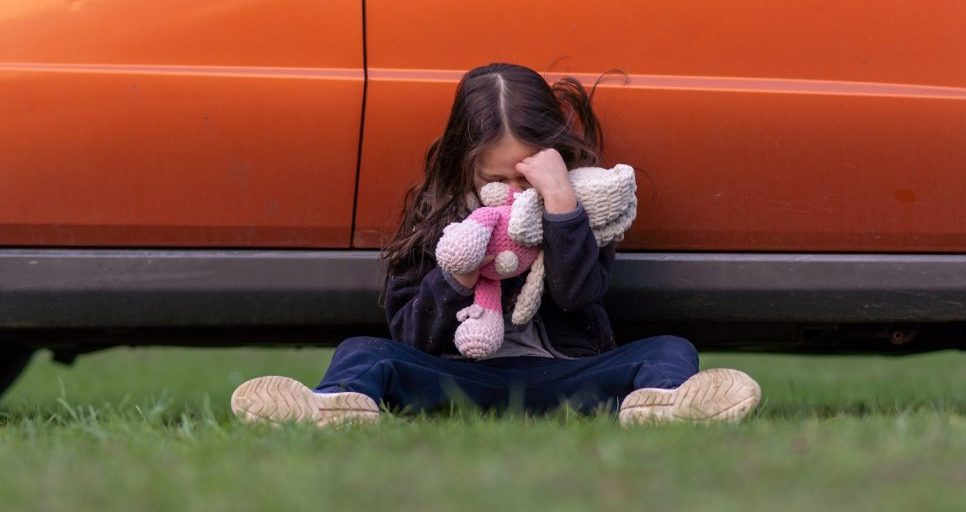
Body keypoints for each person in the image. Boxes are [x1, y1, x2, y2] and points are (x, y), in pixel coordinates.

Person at [230, 63, 761, 426]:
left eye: (525, 176)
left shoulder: (581, 209)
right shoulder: (438, 216)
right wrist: (458, 273)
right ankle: (330, 407)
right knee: (362, 352)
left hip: (565, 377)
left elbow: (579, 296)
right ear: (463, 164)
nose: (511, 193)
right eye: (494, 177)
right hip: (459, 379)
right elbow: (411, 336)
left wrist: (559, 205)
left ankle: (662, 407)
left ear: (555, 158)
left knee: (671, 348)